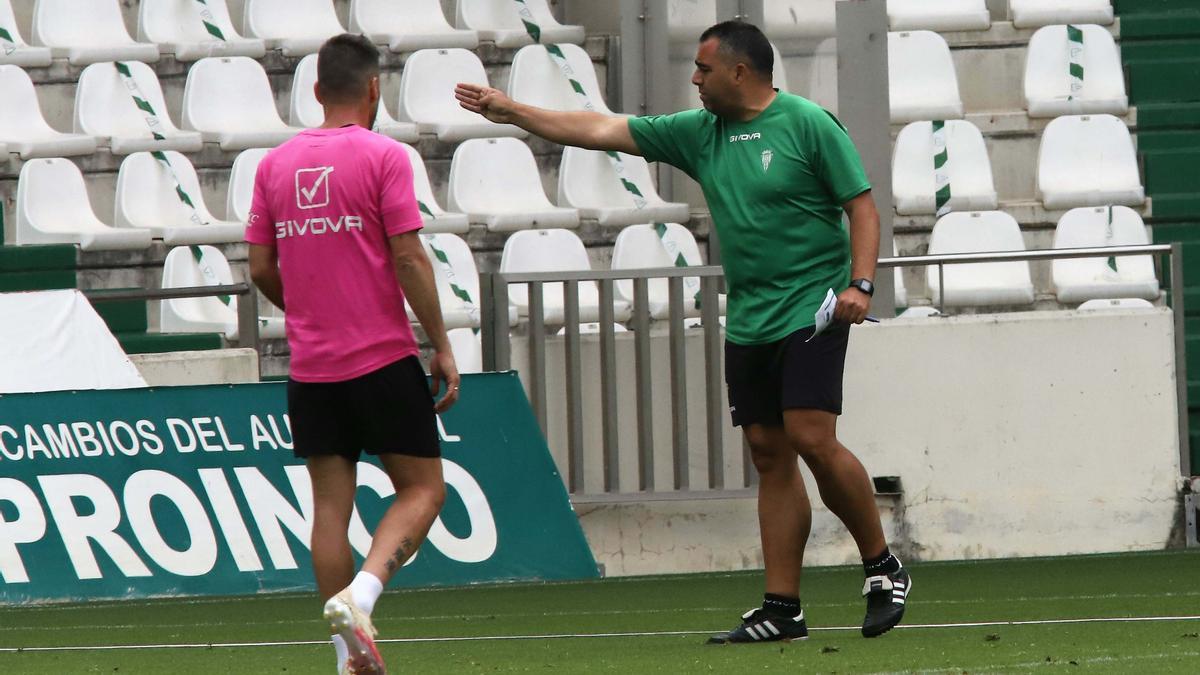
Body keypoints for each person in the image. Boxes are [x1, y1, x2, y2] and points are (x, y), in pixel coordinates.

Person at [455, 20, 909, 642]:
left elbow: (861, 206)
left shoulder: (808, 123)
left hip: (816, 304)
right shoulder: (699, 133)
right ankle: (783, 609)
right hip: (750, 315)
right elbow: (599, 129)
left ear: (740, 72)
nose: (693, 79)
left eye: (703, 69)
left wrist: (860, 285)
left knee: (808, 433)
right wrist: (513, 111)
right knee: (769, 454)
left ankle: (882, 565)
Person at [247, 34, 459, 673]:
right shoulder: (384, 157)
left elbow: (259, 265)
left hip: (311, 369)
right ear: (374, 89)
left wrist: (310, 311)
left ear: (315, 91)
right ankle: (363, 597)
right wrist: (442, 344)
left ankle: (347, 658)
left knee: (330, 511)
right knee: (423, 490)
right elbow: (408, 256)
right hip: (381, 359)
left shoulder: (274, 165)